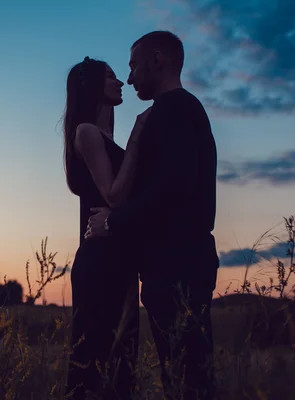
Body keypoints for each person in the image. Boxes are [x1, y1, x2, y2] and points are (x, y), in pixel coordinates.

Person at [86, 31, 220, 400]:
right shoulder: (179, 109)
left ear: (156, 60)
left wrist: (113, 222)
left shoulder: (172, 109)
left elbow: (174, 185)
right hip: (181, 264)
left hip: (177, 267)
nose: (129, 78)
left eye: (133, 65)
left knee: (187, 378)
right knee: (186, 375)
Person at [62, 56, 151, 399]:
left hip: (118, 258)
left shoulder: (104, 137)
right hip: (99, 261)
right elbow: (114, 195)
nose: (121, 83)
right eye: (111, 76)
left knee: (121, 362)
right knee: (93, 361)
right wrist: (139, 136)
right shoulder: (86, 132)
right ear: (92, 87)